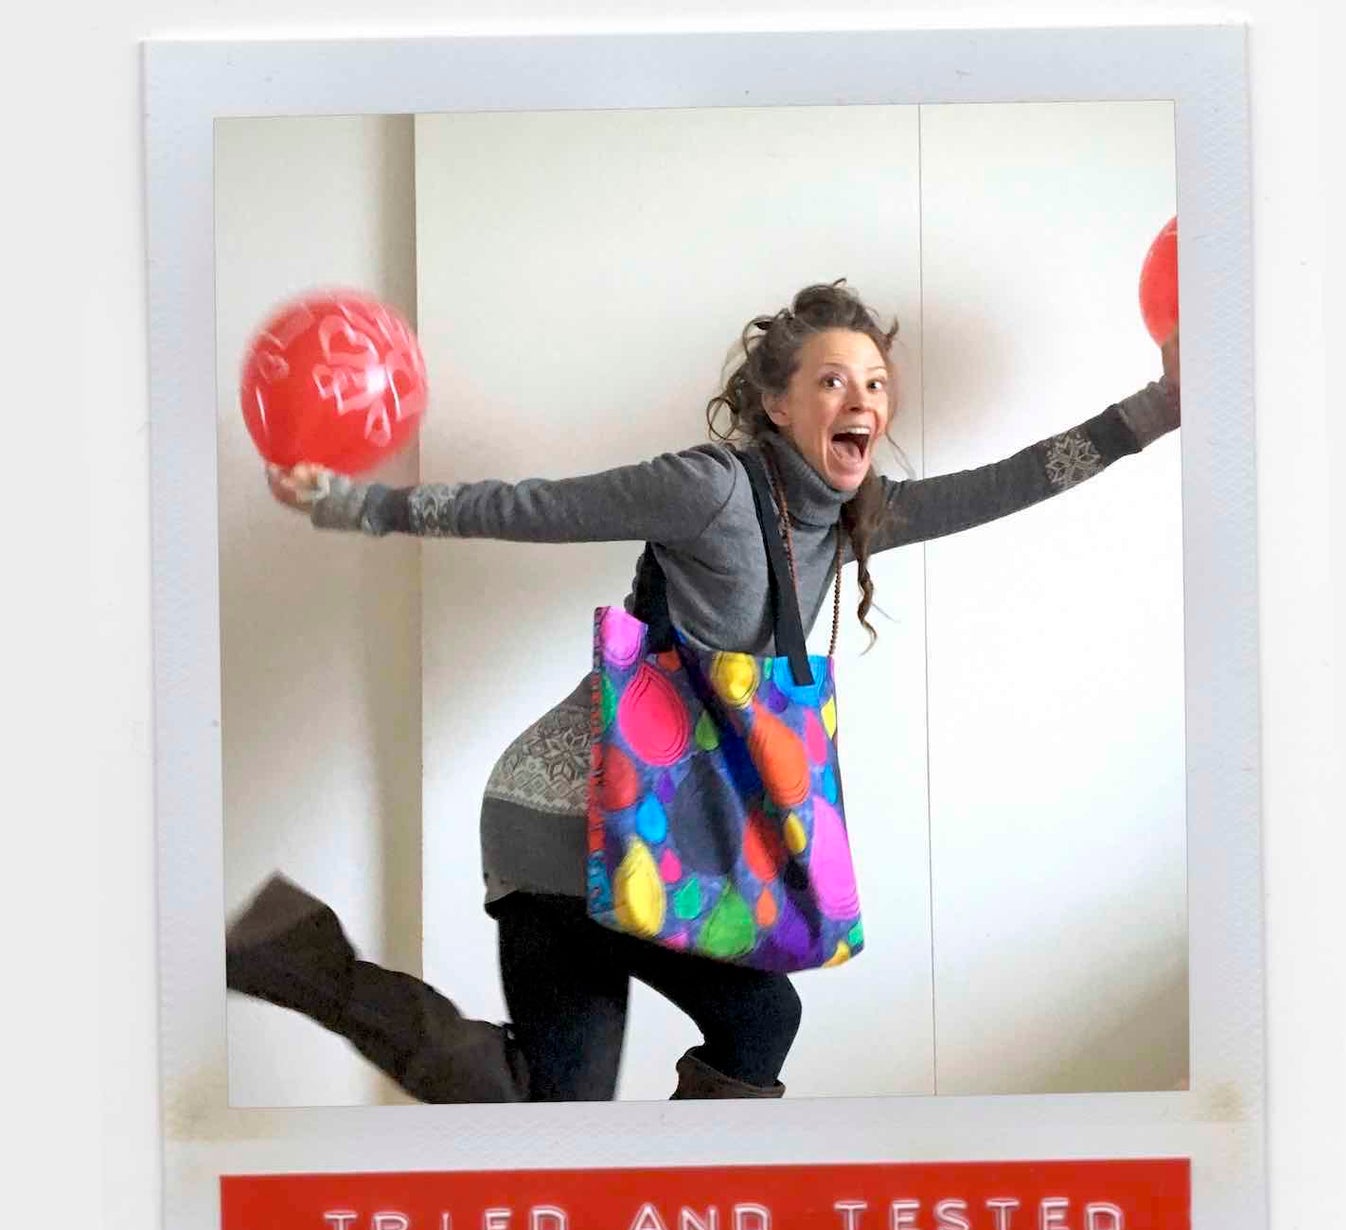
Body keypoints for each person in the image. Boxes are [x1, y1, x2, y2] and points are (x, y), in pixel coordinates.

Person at [229, 280, 1181, 1104]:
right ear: (777, 402)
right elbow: (539, 507)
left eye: (877, 383)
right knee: (760, 1021)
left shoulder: (854, 518)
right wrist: (361, 504)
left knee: (561, 1100)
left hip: (643, 829)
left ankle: (284, 951)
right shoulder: (711, 490)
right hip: (566, 817)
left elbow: (1011, 482)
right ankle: (301, 963)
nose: (863, 401)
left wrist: (1160, 405)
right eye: (833, 379)